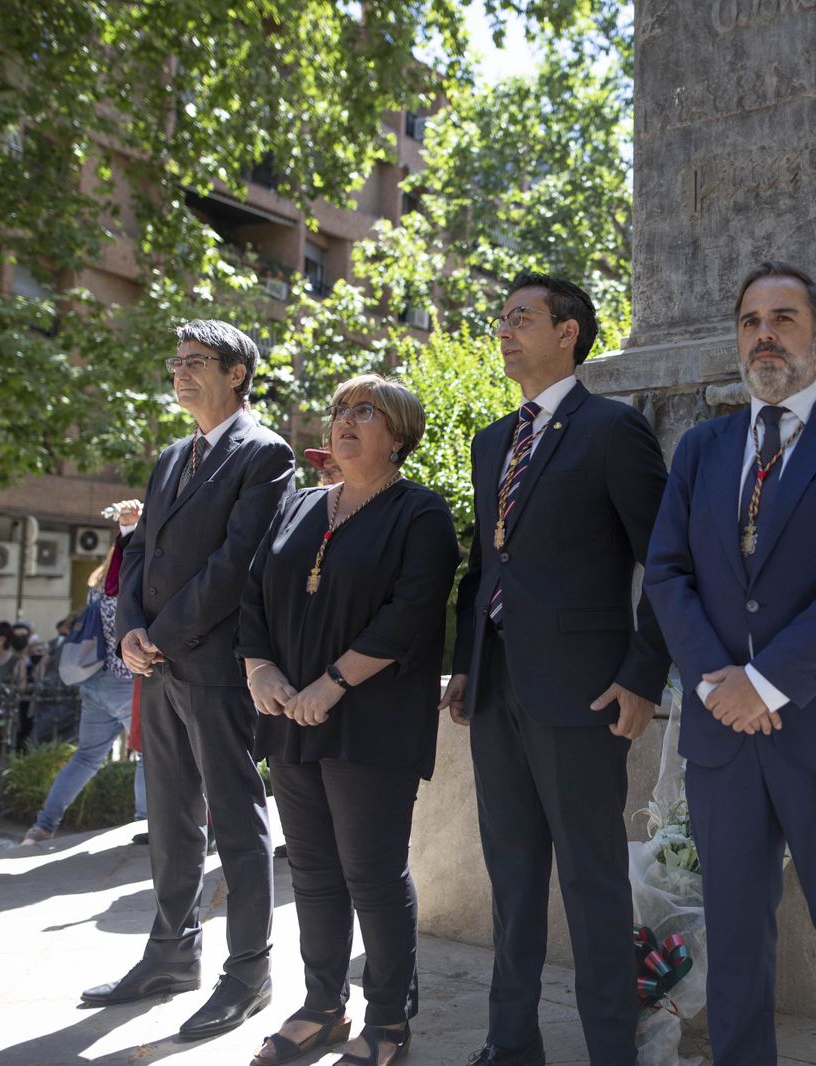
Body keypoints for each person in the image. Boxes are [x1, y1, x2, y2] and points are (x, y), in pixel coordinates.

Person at [643, 262, 816, 1066]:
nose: (765, 334)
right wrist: (714, 681)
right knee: (733, 934)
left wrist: (766, 682)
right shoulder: (702, 447)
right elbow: (666, 572)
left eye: (784, 319)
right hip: (723, 739)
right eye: (750, 321)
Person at [439, 271, 670, 1066]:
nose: (503, 330)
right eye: (500, 317)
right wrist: (465, 663)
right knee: (511, 876)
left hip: (585, 694)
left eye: (521, 318)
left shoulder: (614, 430)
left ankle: (613, 1049)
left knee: (592, 882)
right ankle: (512, 1046)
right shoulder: (491, 440)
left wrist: (644, 674)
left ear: (568, 332)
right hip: (497, 687)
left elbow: (665, 563)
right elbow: (485, 568)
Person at [239, 374, 459, 1066]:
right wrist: (261, 672)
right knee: (310, 871)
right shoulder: (298, 507)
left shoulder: (421, 514)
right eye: (340, 410)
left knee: (372, 872)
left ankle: (388, 1019)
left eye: (366, 412)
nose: (346, 421)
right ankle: (322, 1006)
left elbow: (413, 612)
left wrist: (333, 683)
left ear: (398, 436)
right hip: (290, 718)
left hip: (372, 722)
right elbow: (253, 596)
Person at [85, 319, 293, 1041]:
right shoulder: (173, 455)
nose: (180, 372)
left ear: (237, 374)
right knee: (170, 821)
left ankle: (250, 972)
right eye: (175, 361)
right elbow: (141, 550)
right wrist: (131, 628)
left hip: (217, 668)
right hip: (160, 664)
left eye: (196, 361)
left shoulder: (265, 453)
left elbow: (238, 565)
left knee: (239, 821)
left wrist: (163, 634)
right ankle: (170, 955)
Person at [20, 512, 148, 846]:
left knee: (87, 757)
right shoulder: (126, 588)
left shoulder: (97, 587)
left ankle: (43, 826)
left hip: (95, 682)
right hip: (127, 683)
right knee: (150, 755)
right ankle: (144, 823)